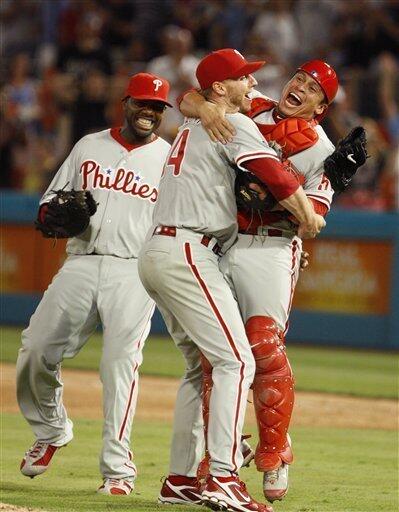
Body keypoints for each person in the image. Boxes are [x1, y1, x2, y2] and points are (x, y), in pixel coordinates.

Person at [138, 48, 325, 512]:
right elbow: (275, 176)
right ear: (222, 88)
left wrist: (201, 103)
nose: (253, 84)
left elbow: (191, 99)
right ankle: (222, 476)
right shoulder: (236, 119)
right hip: (194, 249)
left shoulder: (212, 115)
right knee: (236, 361)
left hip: (166, 248)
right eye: (243, 78)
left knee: (202, 367)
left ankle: (182, 478)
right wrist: (306, 214)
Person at [179, 60, 364, 503]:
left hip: (271, 246)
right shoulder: (253, 107)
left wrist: (273, 200)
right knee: (216, 353)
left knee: (262, 345)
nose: (300, 86)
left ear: (322, 105)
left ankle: (275, 448)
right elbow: (188, 98)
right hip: (223, 240)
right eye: (299, 78)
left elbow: (313, 219)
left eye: (313, 87)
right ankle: (219, 453)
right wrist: (205, 110)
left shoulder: (321, 149)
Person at [16, 72, 172, 495]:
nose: (149, 112)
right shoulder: (89, 145)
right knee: (35, 348)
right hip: (82, 261)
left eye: (158, 107)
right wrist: (52, 216)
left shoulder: (171, 159)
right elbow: (50, 202)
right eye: (143, 103)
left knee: (119, 365)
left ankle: (118, 471)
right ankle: (51, 430)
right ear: (125, 103)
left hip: (134, 271)